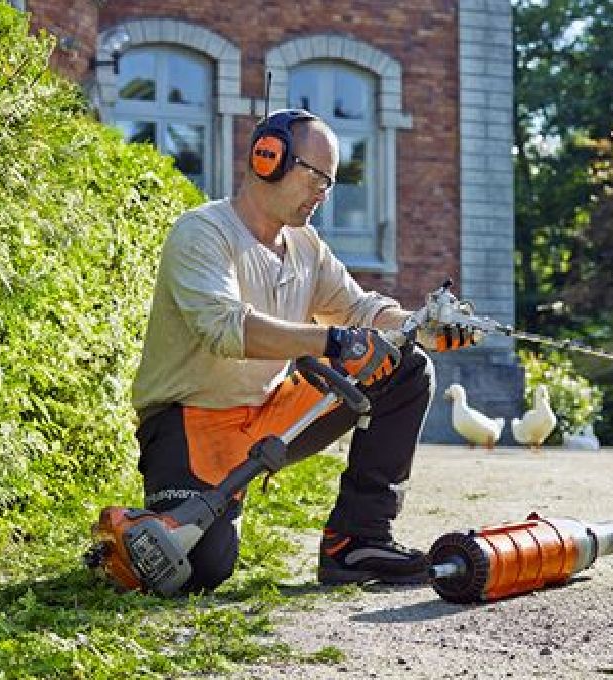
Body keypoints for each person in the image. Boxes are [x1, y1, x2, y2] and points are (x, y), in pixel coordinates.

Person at [129, 109, 474, 593]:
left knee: (405, 366)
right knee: (203, 570)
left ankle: (357, 543)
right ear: (267, 158)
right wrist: (332, 341)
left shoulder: (305, 246)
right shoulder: (203, 232)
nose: (323, 193)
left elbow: (359, 309)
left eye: (331, 183)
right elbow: (226, 330)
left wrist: (424, 325)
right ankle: (144, 527)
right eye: (316, 177)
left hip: (267, 414)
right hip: (188, 422)